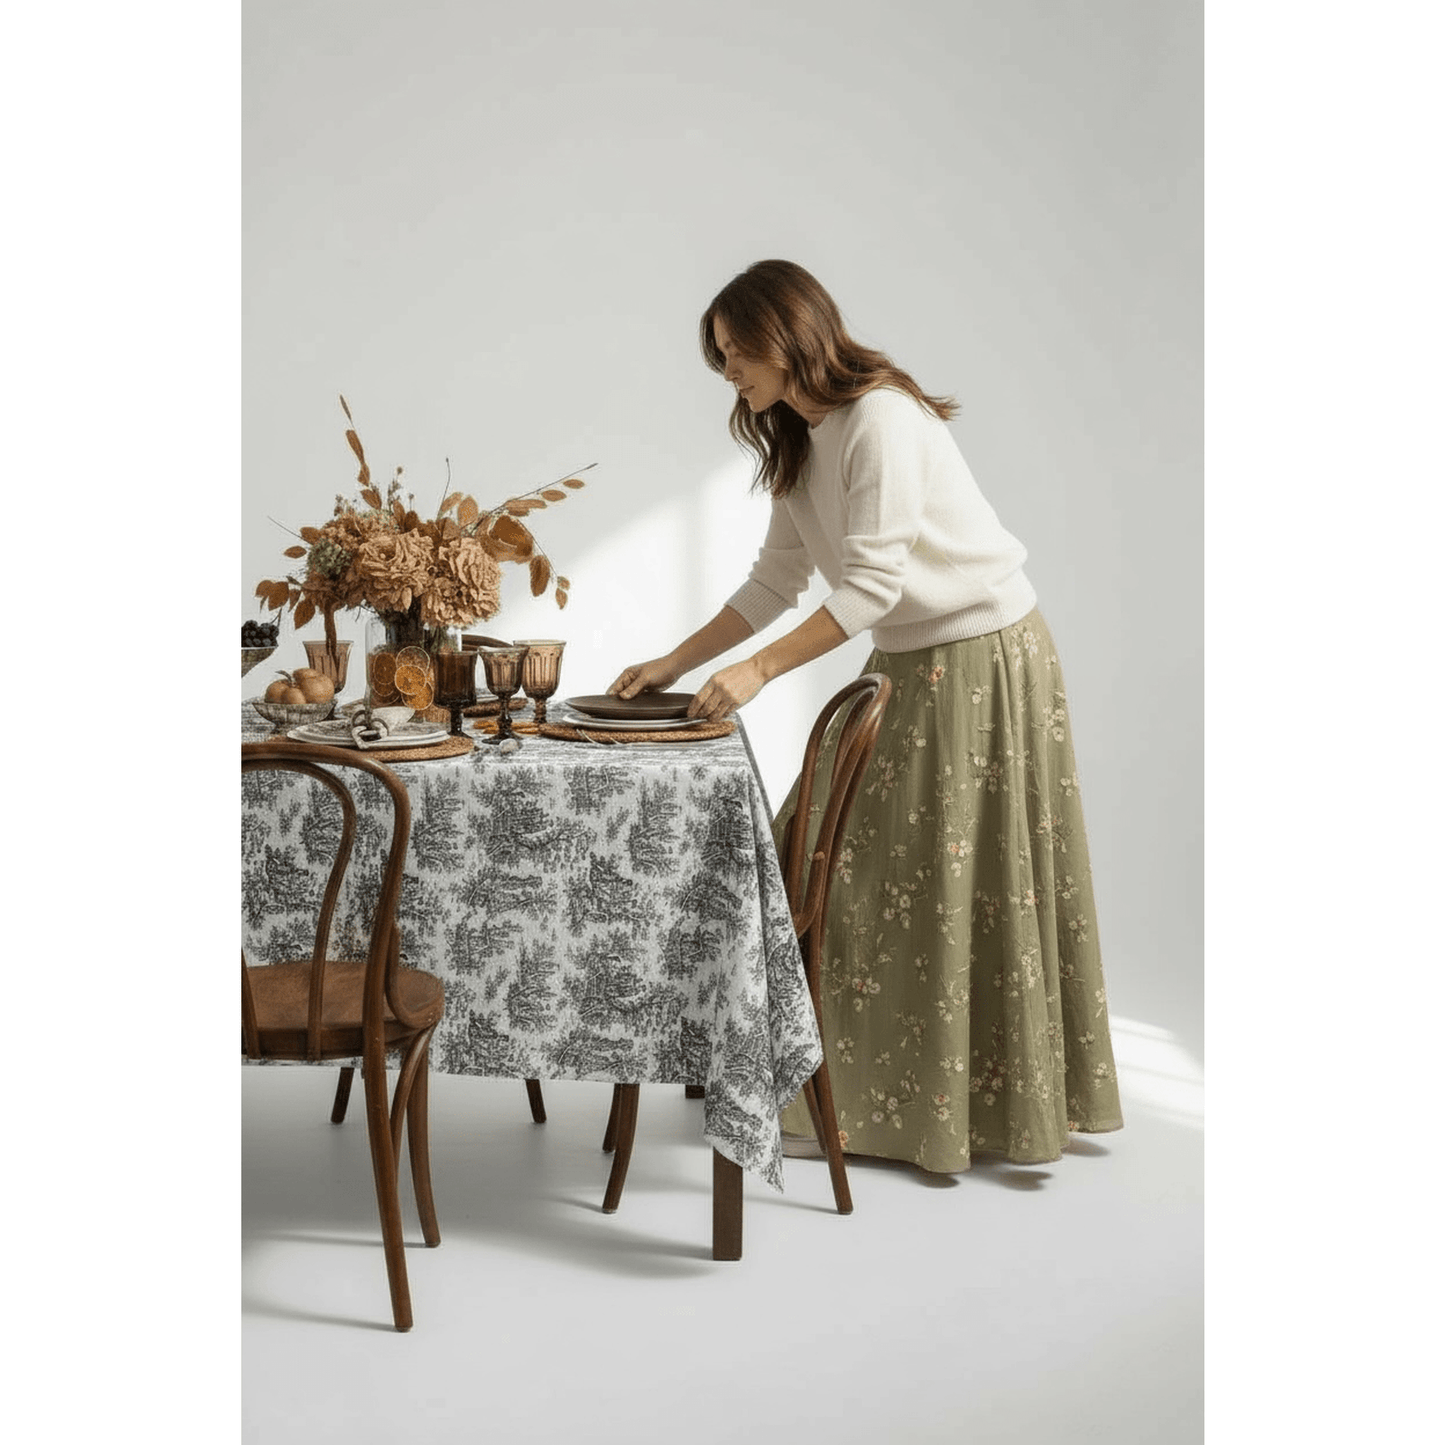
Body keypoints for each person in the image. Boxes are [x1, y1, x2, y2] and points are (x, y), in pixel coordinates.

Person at [609, 259, 1122, 1173]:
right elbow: (775, 580)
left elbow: (875, 585)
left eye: (736, 352)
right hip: (908, 660)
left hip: (983, 660)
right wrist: (671, 662)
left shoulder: (880, 416)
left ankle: (942, 1109)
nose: (728, 372)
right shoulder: (796, 438)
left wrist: (759, 670)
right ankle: (829, 1085)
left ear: (789, 332)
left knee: (932, 876)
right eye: (720, 358)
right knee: (827, 855)